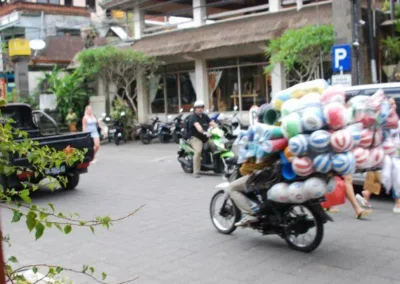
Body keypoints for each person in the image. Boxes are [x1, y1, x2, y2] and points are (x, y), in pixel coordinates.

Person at [356, 98, 400, 213]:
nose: (393, 106)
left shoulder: (394, 121)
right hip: (387, 154)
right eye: (391, 104)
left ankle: (366, 195)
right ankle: (398, 203)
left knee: (384, 176)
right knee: (393, 176)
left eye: (394, 104)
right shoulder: (382, 121)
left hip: (391, 153)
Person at [187, 100, 218, 178]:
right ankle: (196, 171)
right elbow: (198, 128)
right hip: (195, 138)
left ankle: (217, 166)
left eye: (201, 107)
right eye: (198, 107)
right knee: (198, 151)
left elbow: (212, 123)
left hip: (205, 137)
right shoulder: (193, 117)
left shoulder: (204, 116)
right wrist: (204, 132)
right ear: (195, 108)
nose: (200, 109)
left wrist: (219, 129)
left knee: (216, 146)